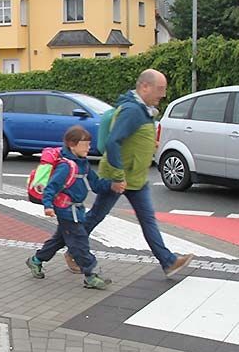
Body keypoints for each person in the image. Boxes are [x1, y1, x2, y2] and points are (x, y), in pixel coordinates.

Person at [69, 69, 194, 277]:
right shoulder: (133, 110)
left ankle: (168, 261)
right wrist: (117, 176)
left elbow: (131, 139)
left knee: (147, 220)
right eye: (160, 89)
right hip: (118, 176)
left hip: (135, 177)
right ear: (144, 86)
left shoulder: (143, 109)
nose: (162, 94)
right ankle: (70, 250)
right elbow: (113, 141)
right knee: (95, 216)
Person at [26, 126, 125, 289]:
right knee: (79, 243)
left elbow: (96, 185)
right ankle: (91, 275)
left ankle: (35, 260)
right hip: (66, 211)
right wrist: (48, 206)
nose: (88, 148)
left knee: (59, 240)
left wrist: (112, 186)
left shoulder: (83, 165)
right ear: (72, 145)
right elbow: (51, 187)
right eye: (85, 144)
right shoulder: (67, 166)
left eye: (89, 144)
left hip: (77, 211)